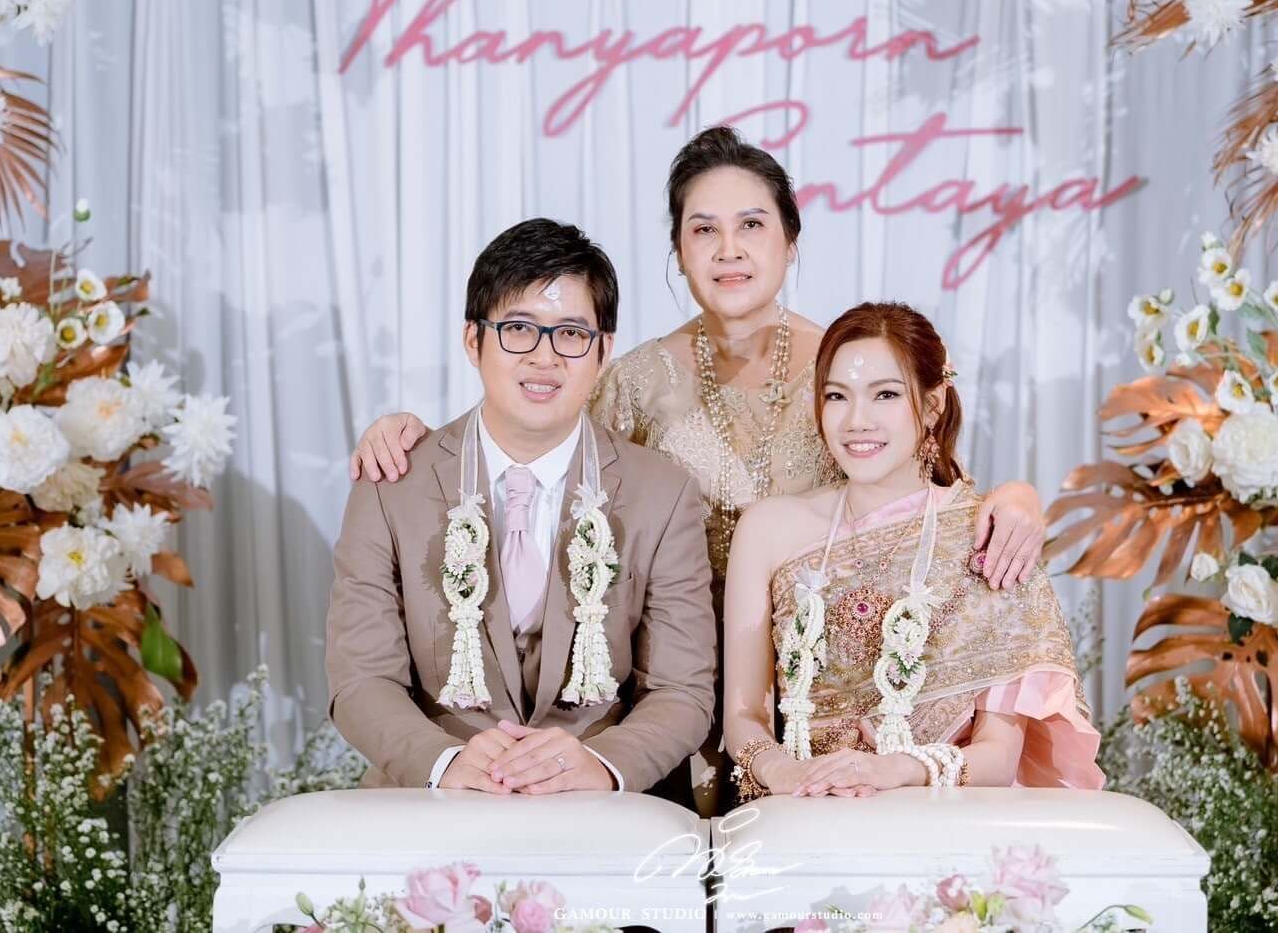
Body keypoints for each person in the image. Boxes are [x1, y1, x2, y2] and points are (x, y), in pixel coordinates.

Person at [345, 127, 1048, 810]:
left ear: (791, 241)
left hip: (816, 697)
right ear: (678, 251)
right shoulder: (632, 378)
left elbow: (919, 494)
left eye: (752, 225)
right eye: (704, 229)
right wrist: (413, 438)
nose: (728, 249)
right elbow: (538, 448)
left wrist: (1016, 497)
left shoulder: (845, 370)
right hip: (655, 689)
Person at [326, 219, 716, 800]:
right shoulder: (391, 482)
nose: (544, 357)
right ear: (473, 340)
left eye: (571, 334)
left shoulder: (663, 494)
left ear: (603, 350)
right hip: (429, 796)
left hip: (594, 805)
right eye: (518, 329)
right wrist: (444, 761)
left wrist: (602, 764)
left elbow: (682, 689)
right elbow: (361, 678)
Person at [723, 302, 1103, 801]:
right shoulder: (767, 530)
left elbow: (998, 755)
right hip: (805, 807)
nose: (856, 420)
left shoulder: (988, 536)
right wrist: (783, 772)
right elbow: (743, 716)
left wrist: (897, 770)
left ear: (932, 404)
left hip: (937, 814)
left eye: (885, 394)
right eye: (837, 396)